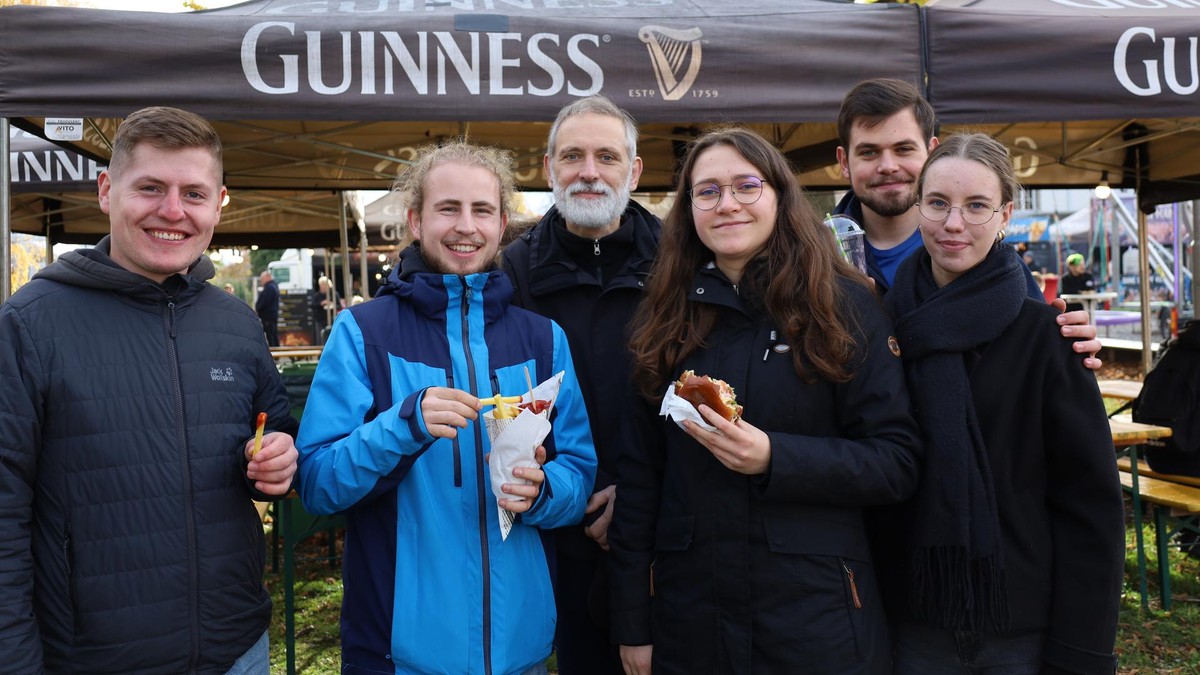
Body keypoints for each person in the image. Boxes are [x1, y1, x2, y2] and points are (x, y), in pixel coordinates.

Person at [608, 127, 922, 674]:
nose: (727, 204)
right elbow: (639, 484)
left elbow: (896, 462)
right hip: (691, 621)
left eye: (746, 186)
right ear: (688, 209)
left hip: (817, 622)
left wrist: (776, 457)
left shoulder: (843, 305)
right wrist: (633, 621)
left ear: (779, 195)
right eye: (708, 191)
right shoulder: (662, 315)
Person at [0, 106, 299, 673]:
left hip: (236, 649)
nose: (173, 211)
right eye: (151, 188)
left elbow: (272, 435)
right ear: (107, 190)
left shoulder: (237, 322)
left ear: (219, 204)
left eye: (194, 194)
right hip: (92, 659)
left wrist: (277, 461)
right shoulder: (29, 324)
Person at [294, 140, 598, 674]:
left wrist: (544, 491)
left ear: (502, 223)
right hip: (399, 654)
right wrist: (403, 426)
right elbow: (319, 483)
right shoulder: (362, 332)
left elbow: (578, 472)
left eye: (482, 210)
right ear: (416, 220)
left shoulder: (544, 339)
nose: (466, 226)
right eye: (448, 208)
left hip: (521, 651)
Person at [883, 133, 1124, 673]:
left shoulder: (1050, 338)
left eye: (976, 206)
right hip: (911, 623)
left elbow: (1090, 507)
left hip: (1021, 629)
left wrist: (1082, 652)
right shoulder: (883, 327)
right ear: (917, 206)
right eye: (938, 203)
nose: (953, 223)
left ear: (1005, 215)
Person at [501, 94, 657, 674]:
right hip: (553, 528)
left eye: (606, 157)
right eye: (572, 156)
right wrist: (572, 491)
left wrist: (632, 498)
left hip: (662, 529)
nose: (589, 172)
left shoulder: (680, 262)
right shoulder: (511, 270)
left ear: (633, 172)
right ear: (549, 169)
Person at [833, 78, 1104, 368]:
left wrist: (1067, 342)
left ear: (931, 152)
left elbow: (1035, 357)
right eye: (869, 152)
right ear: (844, 161)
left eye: (903, 149)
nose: (888, 166)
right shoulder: (816, 259)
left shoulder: (995, 264)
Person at [309, 274, 340, 343]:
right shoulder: (317, 295)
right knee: (320, 337)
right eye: (322, 285)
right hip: (320, 319)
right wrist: (321, 303)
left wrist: (332, 304)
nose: (323, 287)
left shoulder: (334, 294)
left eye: (324, 285)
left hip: (332, 319)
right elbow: (312, 305)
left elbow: (339, 305)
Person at [255, 268, 280, 346]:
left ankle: (274, 352)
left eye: (262, 278)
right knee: (273, 335)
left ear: (267, 277)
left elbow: (264, 302)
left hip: (268, 317)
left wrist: (258, 308)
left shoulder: (270, 288)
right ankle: (276, 350)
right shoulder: (273, 286)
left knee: (271, 336)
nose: (261, 281)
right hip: (271, 316)